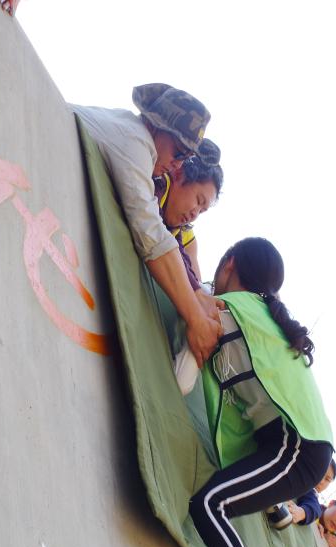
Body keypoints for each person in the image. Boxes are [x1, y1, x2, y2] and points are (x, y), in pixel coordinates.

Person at [187, 237, 334, 547]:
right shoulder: (261, 315)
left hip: (294, 444)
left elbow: (195, 298)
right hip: (291, 443)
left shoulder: (233, 306)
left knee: (210, 504)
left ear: (229, 264)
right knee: (213, 504)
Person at [74, 84, 223, 366]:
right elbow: (151, 235)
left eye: (186, 158)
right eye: (178, 153)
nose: (178, 165)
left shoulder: (130, 131)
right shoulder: (136, 142)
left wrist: (197, 294)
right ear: (157, 126)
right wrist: (196, 319)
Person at [156, 142, 223, 282]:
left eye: (201, 211)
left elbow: (190, 273)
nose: (195, 215)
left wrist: (198, 290)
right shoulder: (159, 185)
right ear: (179, 174)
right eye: (199, 200)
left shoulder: (177, 232)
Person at [285, 459, 336, 526]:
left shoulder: (311, 492)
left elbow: (314, 507)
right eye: (320, 472)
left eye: (327, 479)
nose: (321, 481)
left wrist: (302, 512)